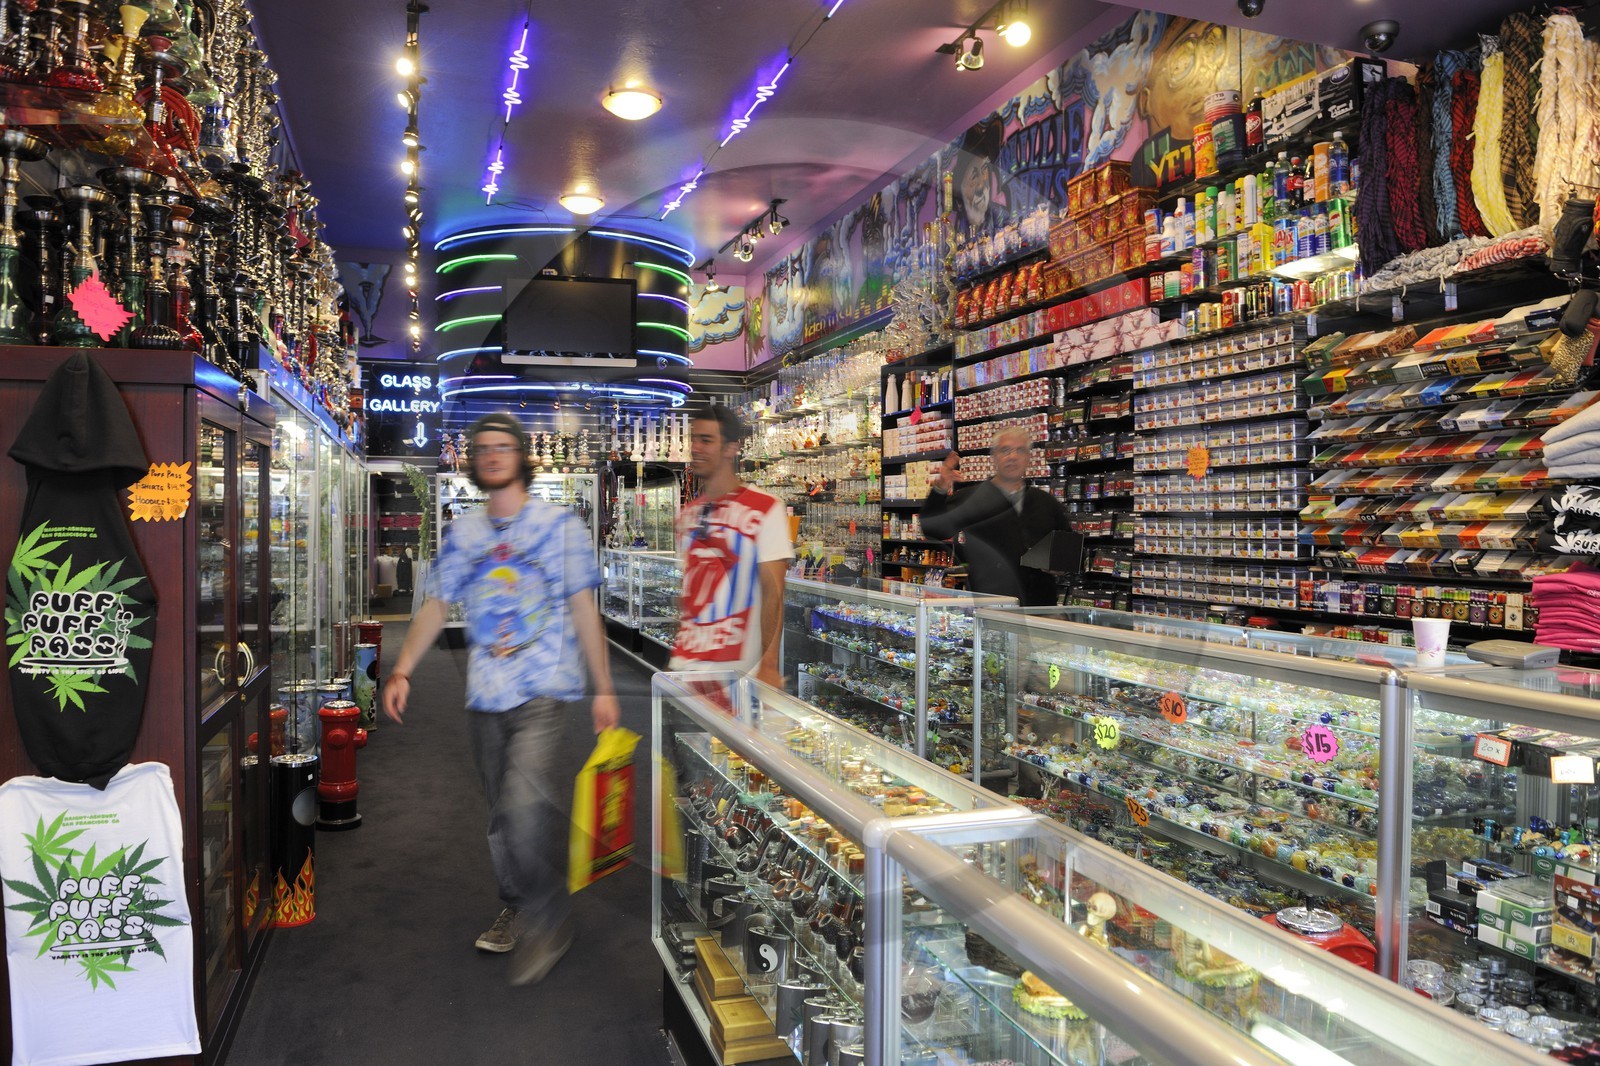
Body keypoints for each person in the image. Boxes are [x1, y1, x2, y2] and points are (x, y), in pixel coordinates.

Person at [381, 411, 620, 987]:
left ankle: (549, 917)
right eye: (480, 448)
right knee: (500, 818)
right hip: (485, 695)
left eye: (501, 446)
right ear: (472, 460)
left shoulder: (559, 527)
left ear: (521, 457)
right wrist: (403, 669)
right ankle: (517, 900)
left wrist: (604, 687)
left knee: (522, 806)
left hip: (544, 689)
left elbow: (586, 610)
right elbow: (436, 603)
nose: (490, 455)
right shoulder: (465, 533)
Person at [668, 406, 793, 690]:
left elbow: (774, 593)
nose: (695, 448)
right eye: (693, 440)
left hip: (737, 676)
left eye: (706, 440)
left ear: (731, 448)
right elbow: (688, 592)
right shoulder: (689, 514)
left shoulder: (765, 508)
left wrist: (769, 667)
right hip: (688, 669)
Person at [920, 426, 1070, 606]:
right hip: (991, 608)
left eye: (1020, 450)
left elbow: (1067, 550)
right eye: (1005, 450)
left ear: (1028, 458)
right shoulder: (972, 498)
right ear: (994, 457)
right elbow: (932, 528)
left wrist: (1060, 567)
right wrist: (940, 487)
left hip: (1039, 609)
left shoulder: (1046, 502)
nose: (1013, 456)